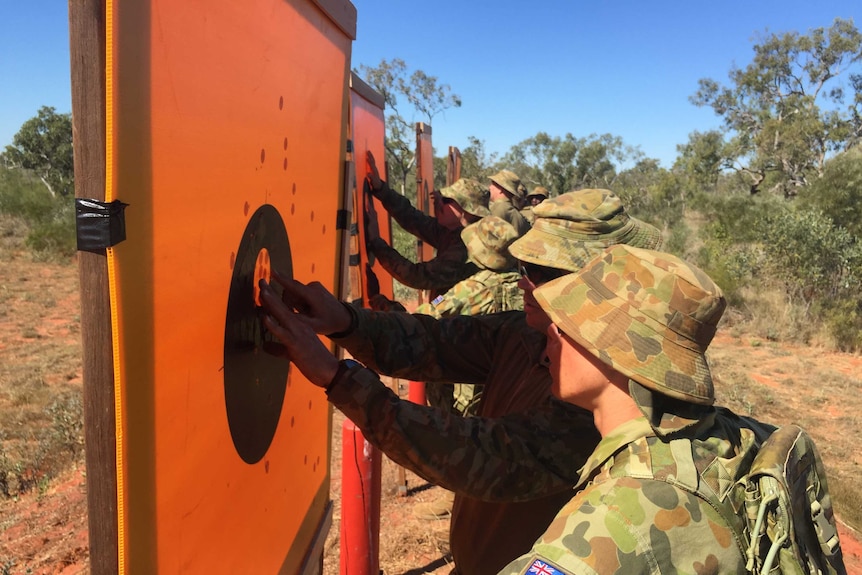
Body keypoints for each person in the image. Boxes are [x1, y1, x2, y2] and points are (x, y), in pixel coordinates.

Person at [258, 189, 663, 575]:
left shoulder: (610, 391)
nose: (522, 280)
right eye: (523, 266)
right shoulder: (523, 332)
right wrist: (345, 321)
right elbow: (431, 341)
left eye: (540, 271)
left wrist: (336, 377)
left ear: (596, 286)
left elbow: (482, 454)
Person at [497, 244, 824, 574]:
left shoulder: (610, 523)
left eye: (566, 325)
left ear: (618, 353)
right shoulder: (743, 436)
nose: (550, 332)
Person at [364, 151, 488, 299]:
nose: (439, 202)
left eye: (447, 200)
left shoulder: (466, 248)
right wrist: (381, 189)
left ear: (468, 211)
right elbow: (414, 220)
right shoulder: (452, 231)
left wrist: (377, 243)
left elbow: (417, 276)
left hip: (457, 317)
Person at [488, 169, 530, 236]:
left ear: (501, 189)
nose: (489, 187)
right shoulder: (511, 210)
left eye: (493, 184)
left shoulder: (499, 208)